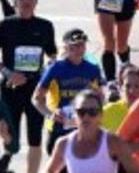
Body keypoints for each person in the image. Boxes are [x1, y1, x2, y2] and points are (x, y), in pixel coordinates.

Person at [0, 0, 59, 173]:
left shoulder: (45, 26)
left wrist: (46, 76)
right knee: (10, 137)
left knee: (35, 139)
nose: (26, 2)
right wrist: (9, 74)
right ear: (13, 1)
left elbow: (53, 57)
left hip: (35, 91)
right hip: (10, 89)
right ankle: (3, 169)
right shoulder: (5, 25)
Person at [34, 28, 104, 161]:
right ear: (66, 47)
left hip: (84, 127)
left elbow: (100, 97)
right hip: (59, 128)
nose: (79, 49)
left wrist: (97, 115)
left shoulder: (93, 69)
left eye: (82, 45)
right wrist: (50, 114)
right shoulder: (55, 68)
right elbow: (36, 99)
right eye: (74, 46)